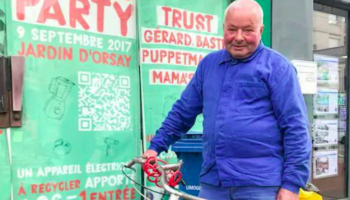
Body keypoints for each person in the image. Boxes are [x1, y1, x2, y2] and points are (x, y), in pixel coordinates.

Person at [144, 0, 312, 199]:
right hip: (214, 181)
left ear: (261, 29)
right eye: (232, 29)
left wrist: (292, 184)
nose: (239, 37)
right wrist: (156, 147)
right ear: (223, 28)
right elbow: (183, 111)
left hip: (260, 184)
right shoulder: (209, 65)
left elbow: (296, 127)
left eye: (248, 30)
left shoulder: (278, 67)